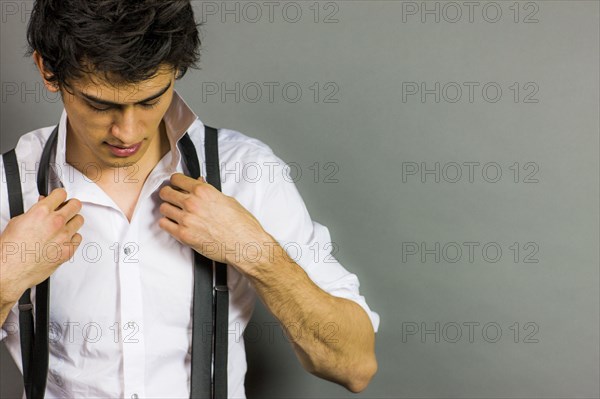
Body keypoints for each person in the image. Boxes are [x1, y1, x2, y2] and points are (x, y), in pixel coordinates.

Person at [0, 1, 380, 397]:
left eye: (150, 100)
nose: (128, 132)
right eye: (100, 105)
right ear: (48, 70)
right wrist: (5, 274)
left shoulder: (244, 172)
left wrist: (256, 253)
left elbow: (354, 366)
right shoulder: (6, 187)